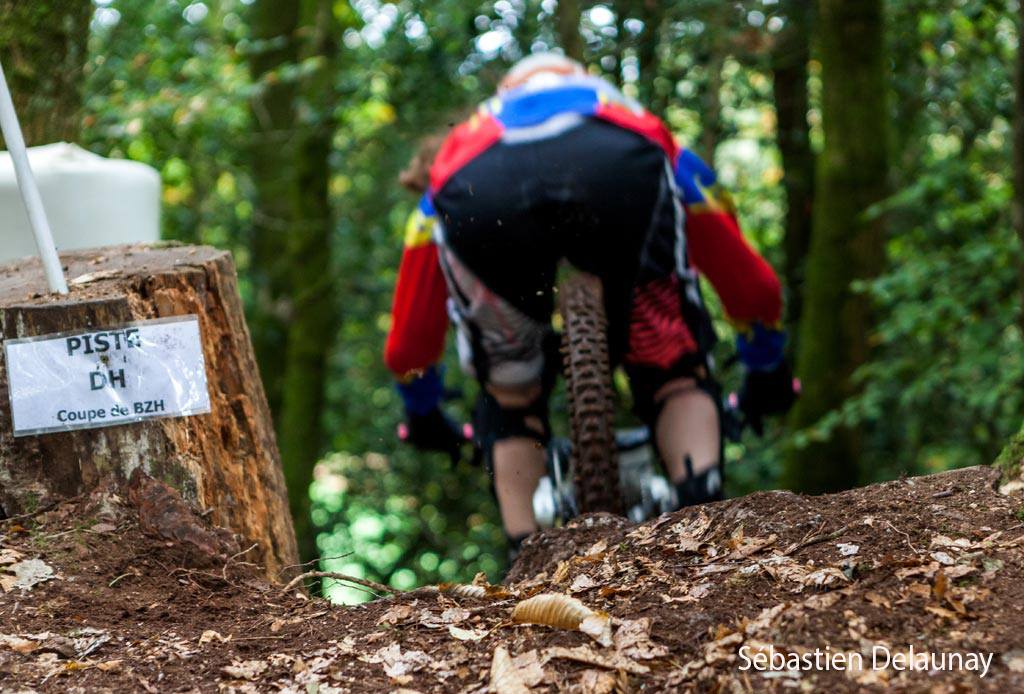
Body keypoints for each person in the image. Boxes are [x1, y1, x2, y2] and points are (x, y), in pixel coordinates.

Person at [384, 53, 796, 554]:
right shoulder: (621, 113)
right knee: (673, 365)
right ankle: (700, 511)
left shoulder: (466, 143)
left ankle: (524, 550)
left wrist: (422, 408)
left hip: (480, 192)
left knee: (510, 394)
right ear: (581, 79)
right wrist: (765, 360)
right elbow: (749, 284)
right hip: (619, 166)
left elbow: (409, 342)